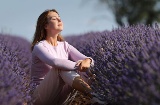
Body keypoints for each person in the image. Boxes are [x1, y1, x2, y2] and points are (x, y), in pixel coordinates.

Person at [30, 9, 105, 105]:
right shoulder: (39, 46)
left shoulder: (65, 46)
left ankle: (104, 96)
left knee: (88, 72)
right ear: (45, 26)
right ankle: (94, 96)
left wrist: (87, 60)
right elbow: (55, 62)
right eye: (54, 18)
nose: (59, 20)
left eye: (59, 18)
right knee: (60, 68)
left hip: (61, 99)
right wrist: (79, 65)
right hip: (40, 98)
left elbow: (88, 60)